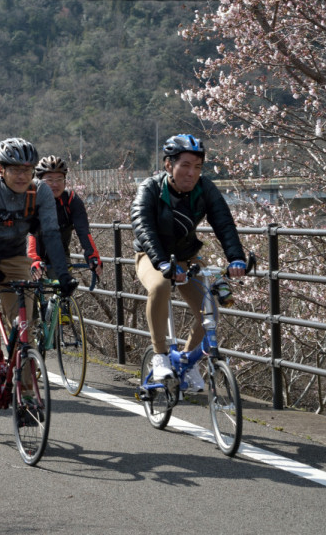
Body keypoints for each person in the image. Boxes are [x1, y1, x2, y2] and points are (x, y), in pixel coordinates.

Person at [131, 134, 247, 392]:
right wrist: (162, 263)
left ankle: (189, 361)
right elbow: (143, 227)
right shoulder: (150, 188)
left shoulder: (205, 188)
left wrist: (236, 257)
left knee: (210, 313)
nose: (191, 173)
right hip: (152, 257)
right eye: (185, 165)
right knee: (160, 287)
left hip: (187, 256)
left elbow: (224, 223)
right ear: (168, 165)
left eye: (197, 167)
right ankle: (160, 355)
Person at [0, 137, 78, 379]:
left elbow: (52, 235)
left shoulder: (40, 191)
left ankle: (28, 398)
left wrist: (63, 275)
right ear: (0, 170)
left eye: (27, 170)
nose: (22, 176)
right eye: (15, 170)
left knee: (24, 326)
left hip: (14, 257)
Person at [27, 155, 103, 279]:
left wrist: (92, 256)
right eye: (49, 180)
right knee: (28, 294)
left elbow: (83, 231)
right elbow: (31, 233)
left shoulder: (71, 200)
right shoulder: (31, 199)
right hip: (29, 253)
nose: (55, 184)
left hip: (58, 254)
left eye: (59, 179)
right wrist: (33, 259)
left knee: (64, 288)